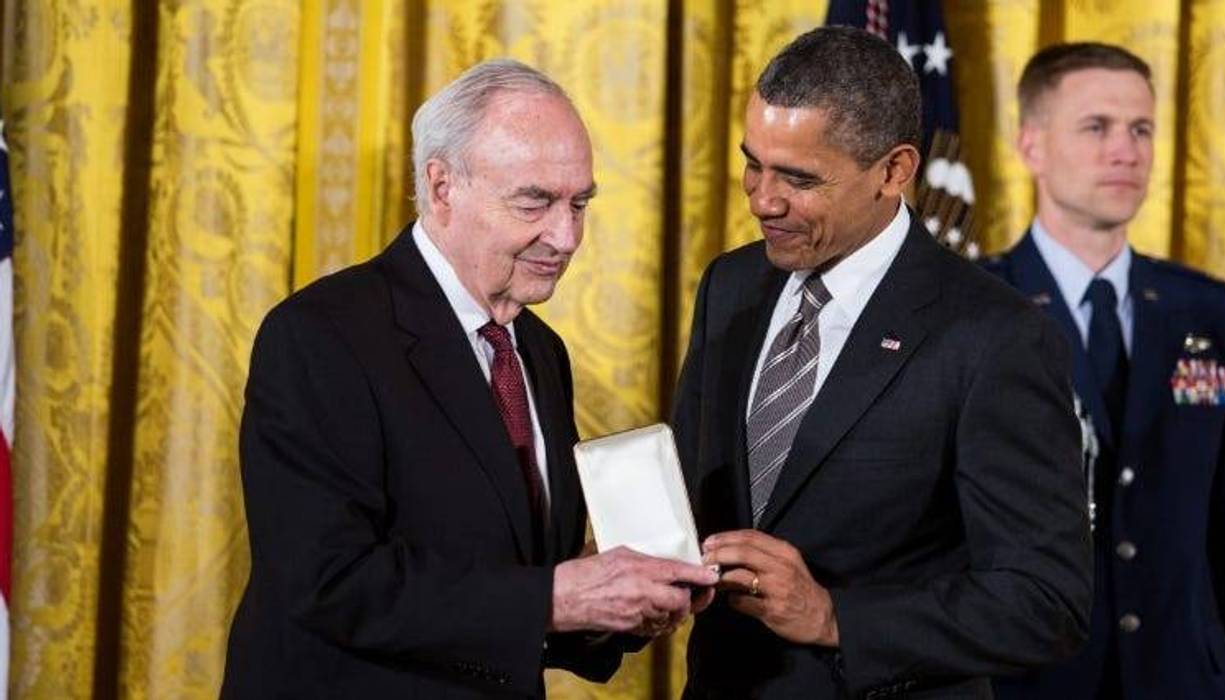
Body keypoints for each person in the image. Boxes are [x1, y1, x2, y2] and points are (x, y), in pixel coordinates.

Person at [221, 59, 718, 699]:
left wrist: (619, 599)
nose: (565, 238)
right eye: (534, 201)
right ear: (441, 186)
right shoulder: (321, 335)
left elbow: (515, 579)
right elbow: (326, 580)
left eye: (580, 203)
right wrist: (558, 598)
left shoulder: (539, 351)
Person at [672, 26, 1093, 699]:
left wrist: (836, 618)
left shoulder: (994, 336)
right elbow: (700, 501)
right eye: (753, 162)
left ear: (894, 171)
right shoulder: (729, 285)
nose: (761, 199)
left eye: (798, 178)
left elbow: (1045, 603)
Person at [985, 42, 1225, 700]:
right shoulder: (975, 308)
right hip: (1028, 683)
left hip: (1185, 679)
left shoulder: (1211, 312)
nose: (1124, 151)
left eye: (1140, 129)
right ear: (1031, 146)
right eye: (1095, 127)